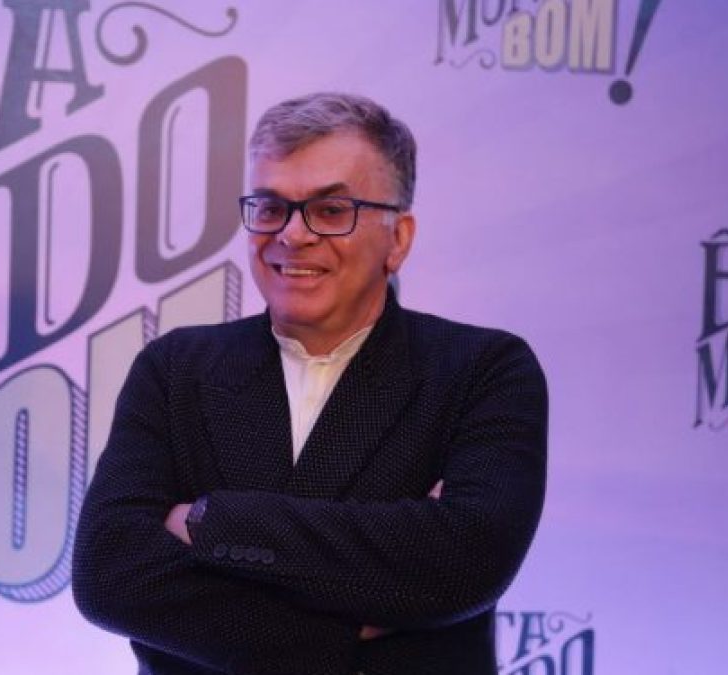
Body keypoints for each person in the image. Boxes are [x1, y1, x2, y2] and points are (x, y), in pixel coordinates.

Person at [72, 92, 547, 674]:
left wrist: (210, 521)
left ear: (398, 238)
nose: (293, 235)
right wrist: (346, 637)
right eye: (271, 207)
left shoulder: (483, 370)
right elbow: (110, 574)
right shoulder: (174, 368)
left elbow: (463, 562)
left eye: (331, 210)